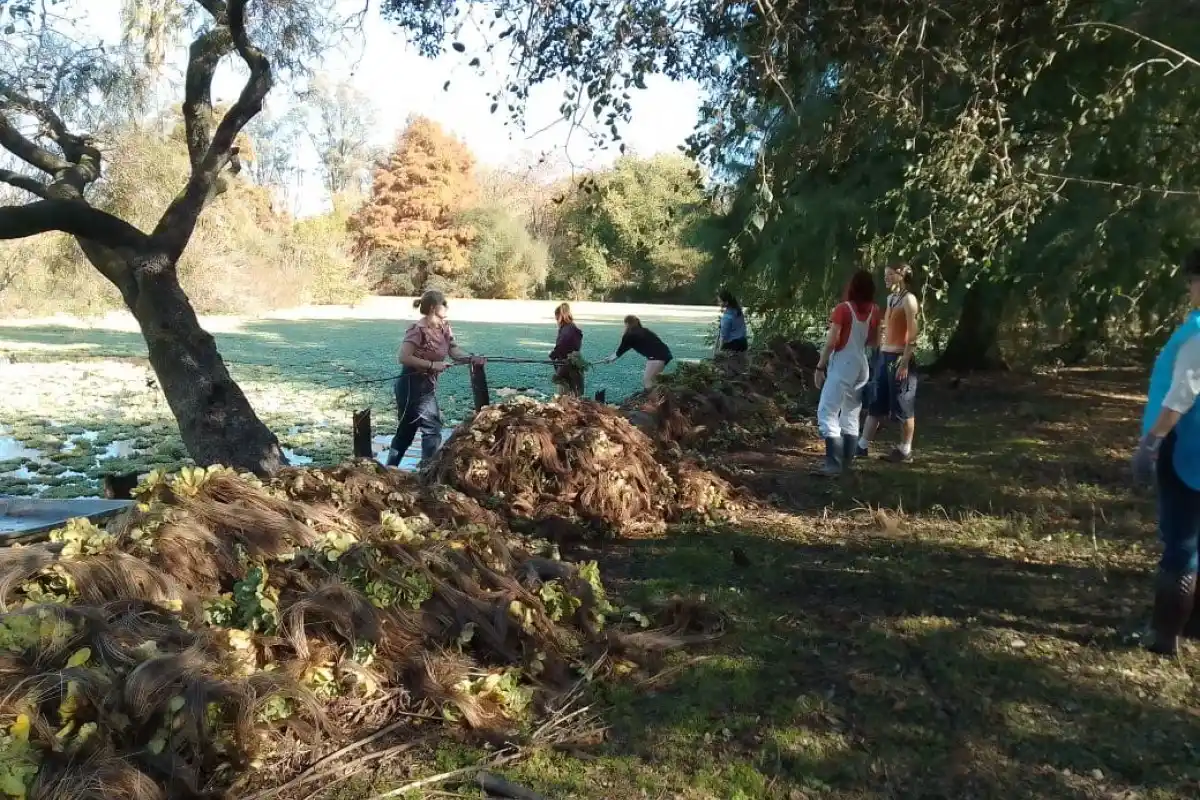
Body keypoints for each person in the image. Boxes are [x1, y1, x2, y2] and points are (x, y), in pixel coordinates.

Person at [1132, 248, 1200, 656]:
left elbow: (1182, 395)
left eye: (1194, 279)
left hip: (1187, 449)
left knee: (1181, 542)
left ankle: (1164, 635)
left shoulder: (1198, 333)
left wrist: (1152, 441)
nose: (1190, 286)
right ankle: (1191, 624)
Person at [386, 290, 484, 468]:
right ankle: (426, 472)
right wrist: (432, 365)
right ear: (432, 307)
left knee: (406, 431)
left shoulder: (444, 327)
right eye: (443, 304)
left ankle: (389, 468)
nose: (446, 307)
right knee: (432, 429)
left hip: (427, 384)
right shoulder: (418, 330)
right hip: (411, 384)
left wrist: (471, 358)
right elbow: (403, 357)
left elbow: (454, 351)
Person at [813, 270, 881, 476]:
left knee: (827, 412)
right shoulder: (875, 310)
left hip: (844, 362)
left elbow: (833, 341)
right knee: (851, 413)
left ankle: (833, 464)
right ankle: (847, 463)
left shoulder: (843, 309)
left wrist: (820, 366)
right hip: (862, 364)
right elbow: (875, 342)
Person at [858, 263, 920, 463]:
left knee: (904, 405)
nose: (886, 278)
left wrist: (904, 362)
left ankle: (905, 450)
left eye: (890, 274)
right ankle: (862, 446)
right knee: (876, 402)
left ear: (901, 275)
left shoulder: (909, 300)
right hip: (884, 356)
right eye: (885, 275)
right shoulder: (890, 298)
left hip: (899, 358)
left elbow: (913, 334)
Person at [599, 315, 673, 390]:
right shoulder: (644, 331)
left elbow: (619, 352)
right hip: (665, 354)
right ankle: (659, 397)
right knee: (652, 380)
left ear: (626, 324)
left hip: (656, 358)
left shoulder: (629, 335)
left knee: (648, 381)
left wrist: (609, 359)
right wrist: (610, 359)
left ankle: (654, 400)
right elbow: (623, 350)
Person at [550, 302, 585, 397]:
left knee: (564, 393)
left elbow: (562, 345)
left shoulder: (567, 329)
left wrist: (554, 354)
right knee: (576, 392)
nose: (556, 320)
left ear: (560, 316)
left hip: (567, 364)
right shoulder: (572, 327)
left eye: (556, 318)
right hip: (574, 364)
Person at [715, 290, 749, 354]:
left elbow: (724, 337)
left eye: (720, 301)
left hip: (732, 345)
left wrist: (720, 349)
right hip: (743, 343)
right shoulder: (739, 312)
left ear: (726, 302)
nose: (718, 303)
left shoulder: (727, 317)